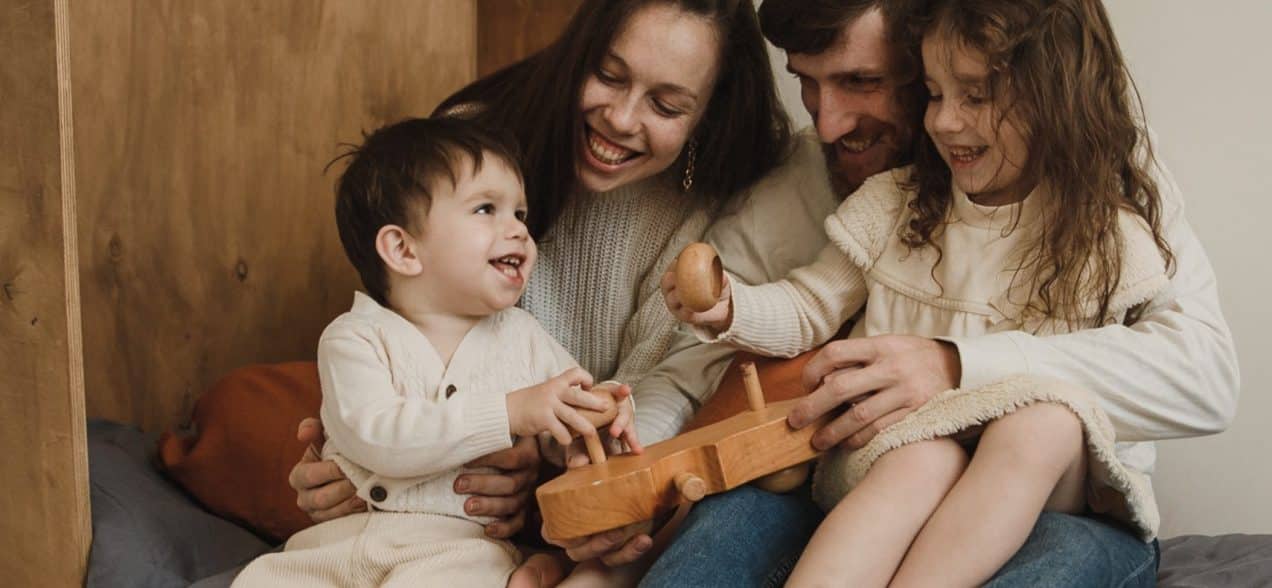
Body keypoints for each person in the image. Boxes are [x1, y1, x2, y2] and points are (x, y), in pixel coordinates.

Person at [640, 1, 1238, 586]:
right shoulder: (889, 202)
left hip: (1048, 486)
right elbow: (797, 309)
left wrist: (955, 363)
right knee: (917, 460)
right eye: (933, 93)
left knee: (1045, 425)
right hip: (899, 453)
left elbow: (1204, 378)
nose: (827, 122)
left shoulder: (1113, 199)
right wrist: (728, 308)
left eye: (862, 80)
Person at [285, 0, 794, 578]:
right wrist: (336, 451)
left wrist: (574, 447)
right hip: (414, 478)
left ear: (708, 115)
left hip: (526, 511)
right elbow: (407, 326)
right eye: (609, 74)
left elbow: (649, 397)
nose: (622, 119)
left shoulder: (719, 207)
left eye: (667, 105)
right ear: (578, 54)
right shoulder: (475, 140)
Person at [233, 118, 641, 587]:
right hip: (335, 546)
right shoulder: (353, 339)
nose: (518, 232)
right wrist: (508, 412)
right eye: (487, 209)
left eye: (521, 215)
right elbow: (379, 437)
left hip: (458, 554)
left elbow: (565, 418)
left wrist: (604, 411)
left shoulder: (524, 336)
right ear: (403, 250)